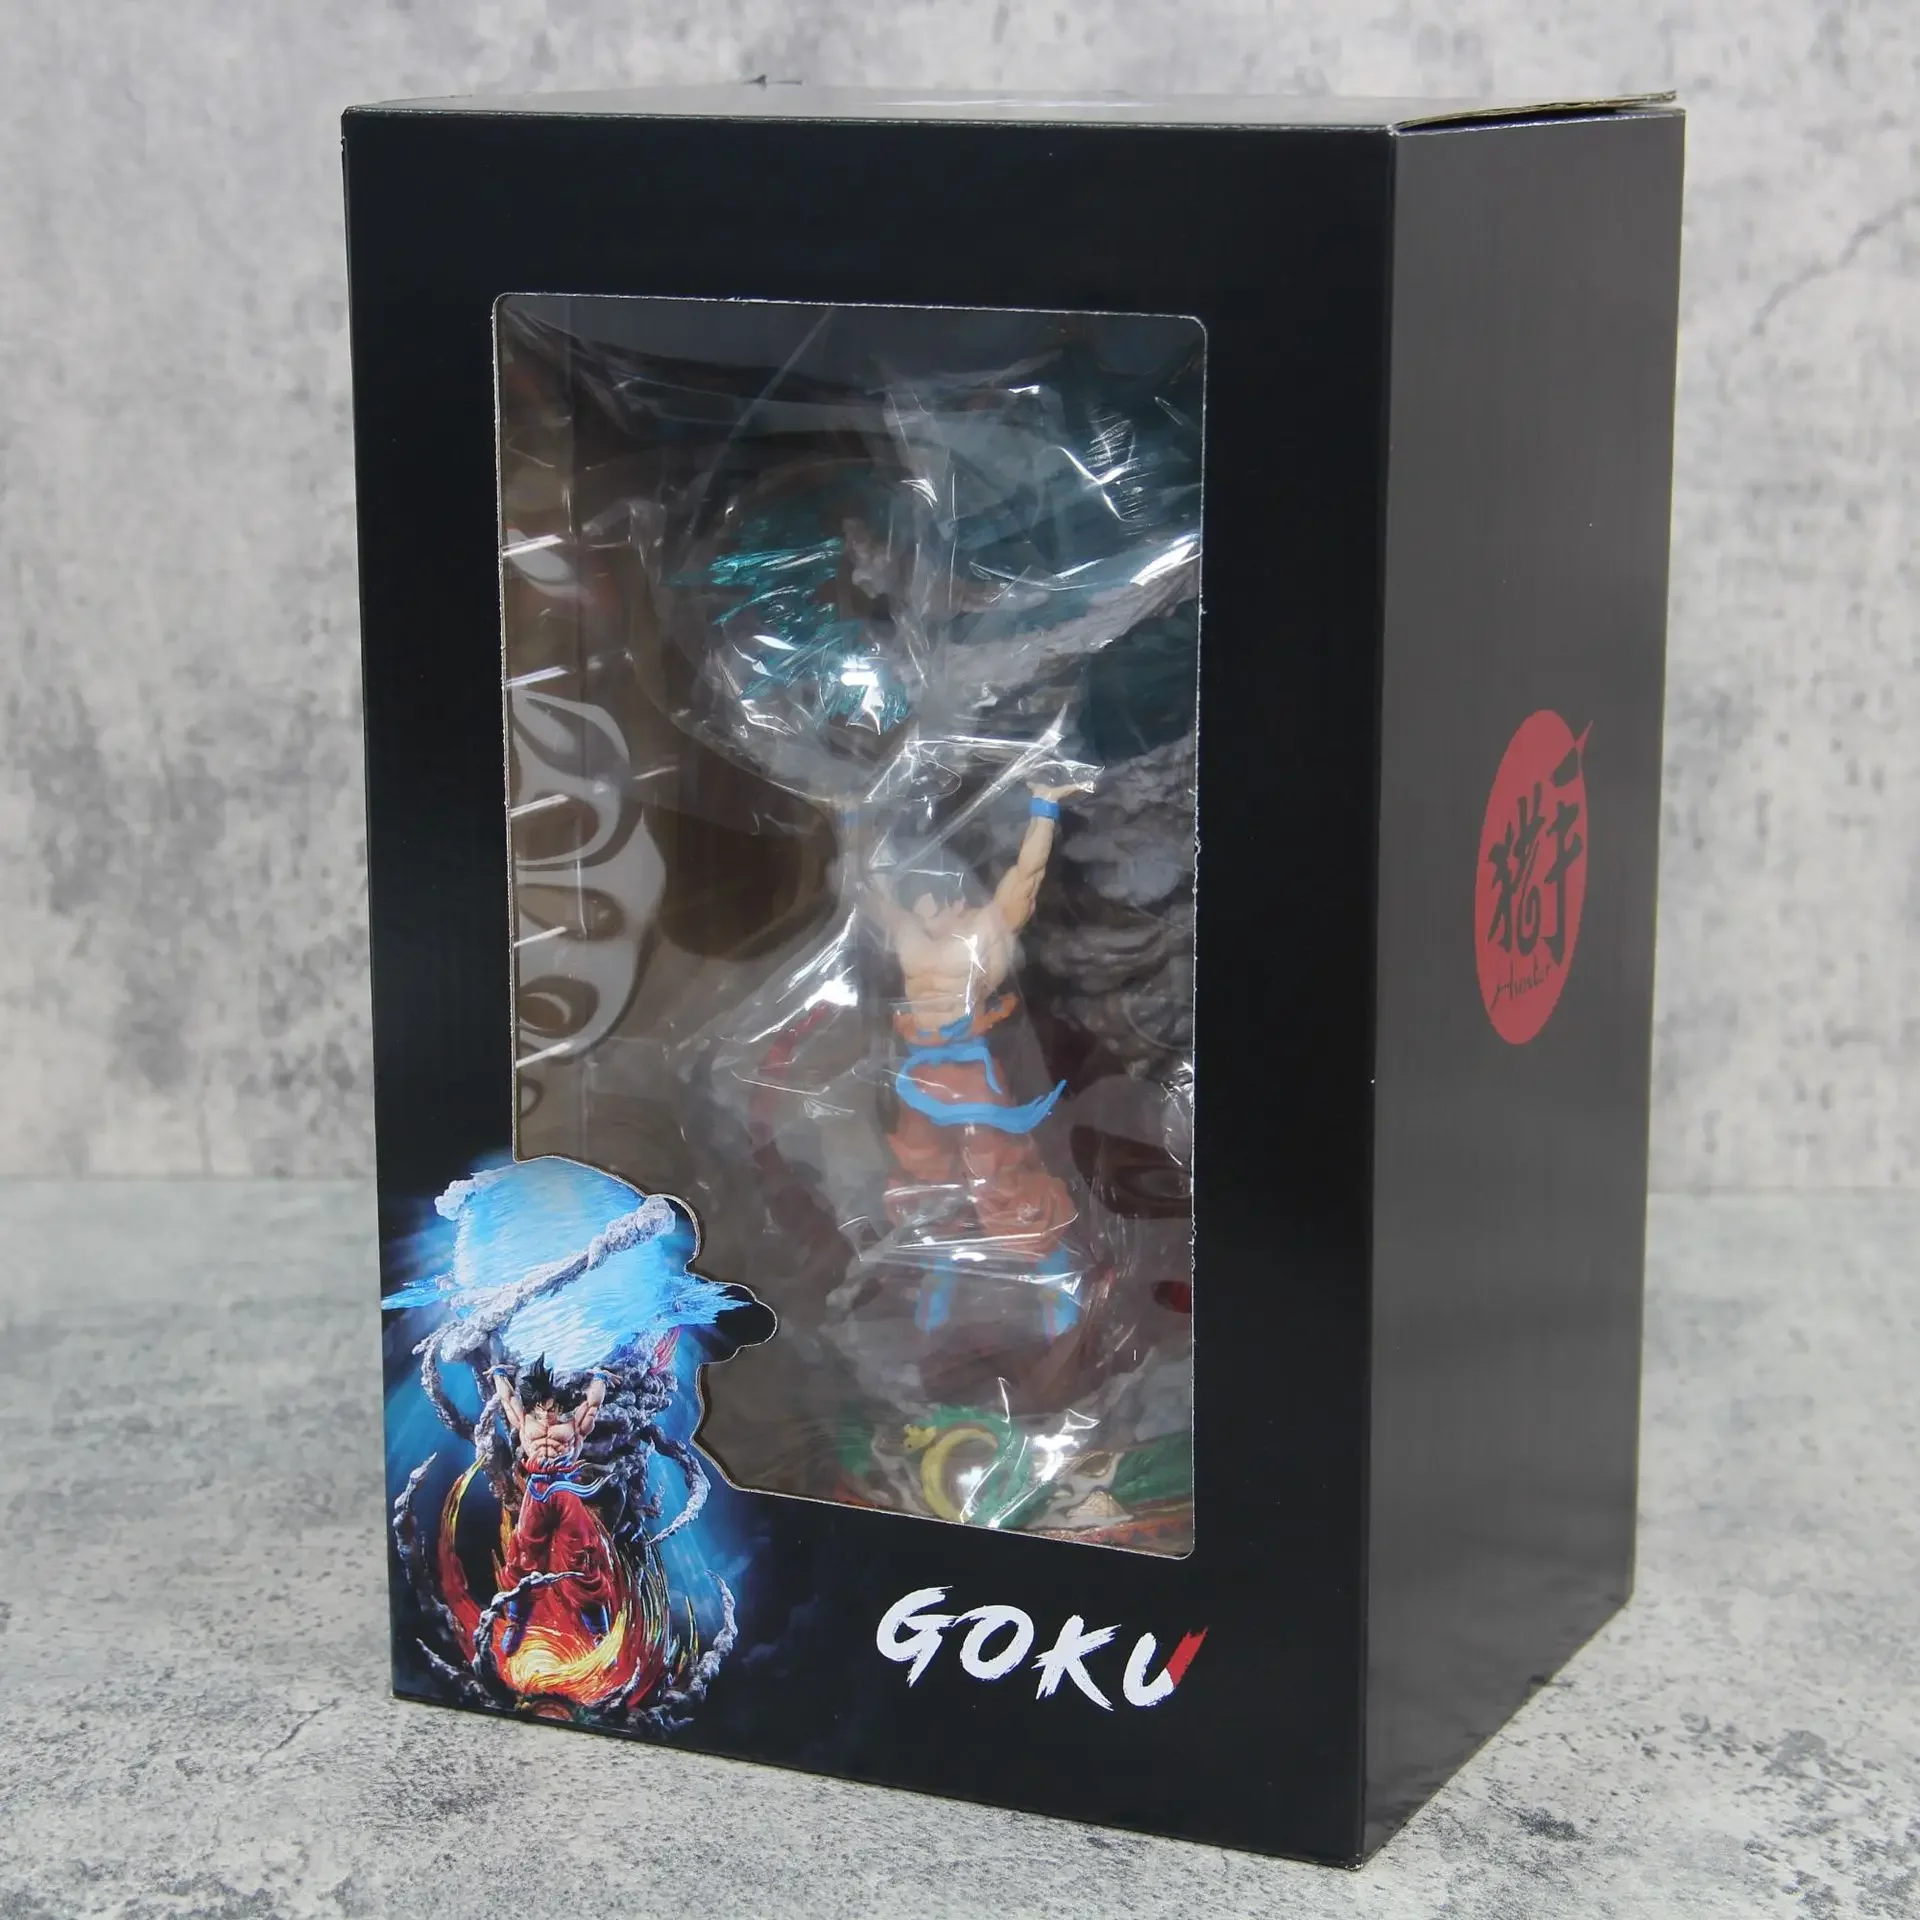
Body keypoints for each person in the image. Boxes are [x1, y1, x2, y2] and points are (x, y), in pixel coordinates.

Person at [864, 781, 1092, 1319]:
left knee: (995, 1167)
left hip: (969, 1070)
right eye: (919, 913)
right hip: (920, 1071)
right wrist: (858, 824)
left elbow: (1026, 879)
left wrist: (1044, 807)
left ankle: (1048, 1263)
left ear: (956, 901)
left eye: (933, 911)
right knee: (922, 1168)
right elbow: (870, 895)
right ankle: (940, 1261)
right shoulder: (911, 932)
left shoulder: (983, 930)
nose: (926, 922)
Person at [486, 1357, 617, 1653]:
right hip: (537, 1491)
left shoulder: (572, 1425)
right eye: (541, 1408)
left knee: (581, 1556)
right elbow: (507, 1399)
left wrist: (600, 1379)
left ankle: (599, 1633)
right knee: (524, 1556)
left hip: (565, 1490)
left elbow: (592, 1406)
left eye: (552, 1407)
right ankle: (516, 1623)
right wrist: (499, 1374)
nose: (548, 1414)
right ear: (534, 1405)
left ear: (558, 1405)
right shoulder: (524, 1422)